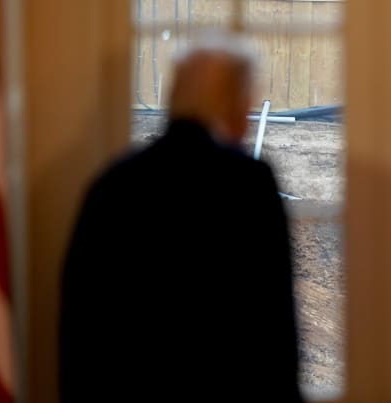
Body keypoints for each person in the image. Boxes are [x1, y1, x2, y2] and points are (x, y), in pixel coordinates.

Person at [59, 35, 303, 402]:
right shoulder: (247, 184)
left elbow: (79, 324)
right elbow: (273, 325)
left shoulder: (113, 183)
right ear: (236, 106)